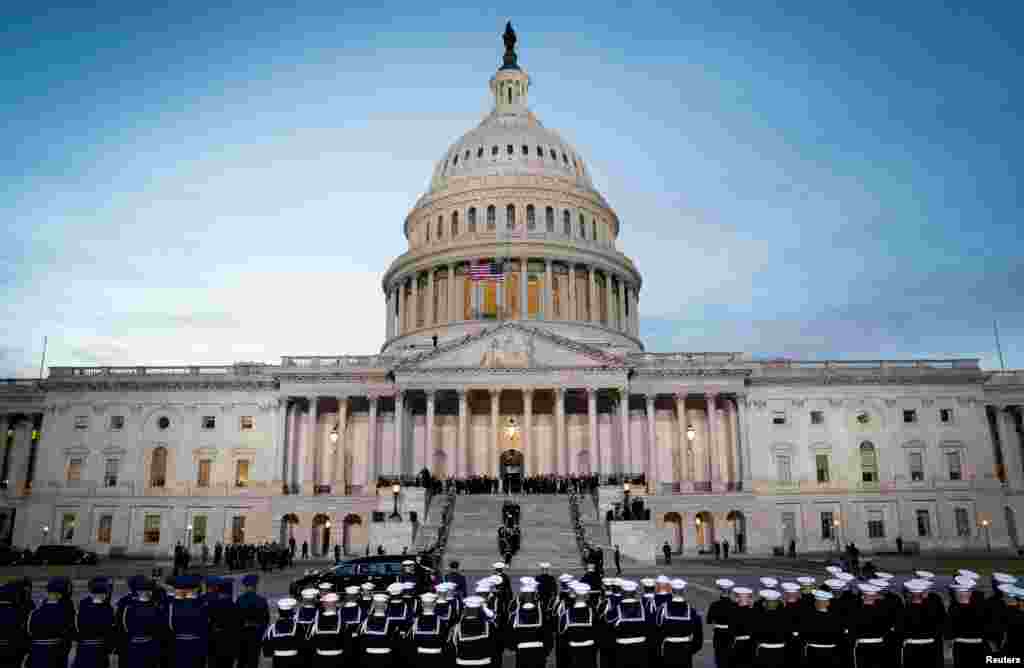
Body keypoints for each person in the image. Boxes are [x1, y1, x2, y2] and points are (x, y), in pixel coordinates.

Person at [655, 579, 703, 668]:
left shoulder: (662, 609)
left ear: (671, 591)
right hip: (685, 651)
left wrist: (660, 652)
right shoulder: (692, 611)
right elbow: (698, 638)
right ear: (684, 591)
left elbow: (656, 633)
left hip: (668, 650)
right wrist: (690, 650)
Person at [120, 577, 165, 668]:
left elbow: (124, 626)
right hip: (147, 644)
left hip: (135, 644)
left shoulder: (128, 607)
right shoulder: (155, 607)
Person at [168, 575, 208, 668]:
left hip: (179, 644)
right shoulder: (202, 604)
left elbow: (171, 626)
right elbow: (205, 626)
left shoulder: (173, 606)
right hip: (197, 644)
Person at [405, 592, 447, 666]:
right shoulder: (441, 621)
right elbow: (444, 641)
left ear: (422, 604)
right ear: (435, 604)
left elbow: (411, 641)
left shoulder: (415, 621)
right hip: (437, 658)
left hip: (420, 657)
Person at [263, 598, 303, 668]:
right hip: (294, 660)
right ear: (291, 612)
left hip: (277, 661)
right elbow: (303, 646)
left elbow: (267, 651)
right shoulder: (298, 626)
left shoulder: (272, 628)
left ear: (279, 612)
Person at [706, 579, 735, 668]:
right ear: (730, 591)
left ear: (720, 590)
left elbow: (709, 621)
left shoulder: (714, 605)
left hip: (718, 633)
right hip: (731, 633)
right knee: (729, 657)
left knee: (719, 657)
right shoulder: (734, 605)